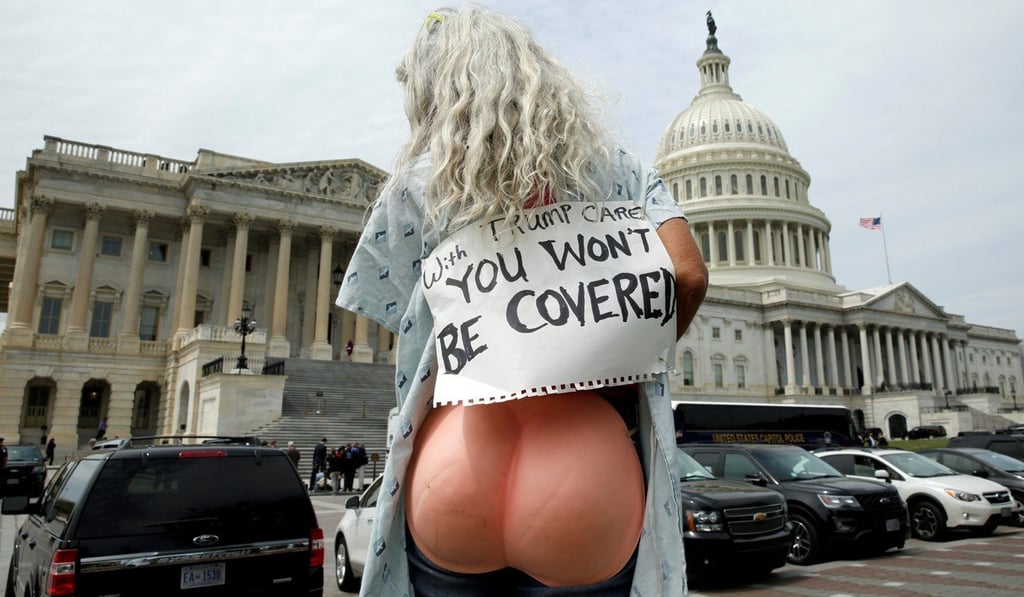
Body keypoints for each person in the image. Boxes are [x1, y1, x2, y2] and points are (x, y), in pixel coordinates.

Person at [336, 7, 707, 596]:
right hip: (585, 469)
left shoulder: (415, 185)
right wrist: (615, 355)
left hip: (454, 466)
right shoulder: (622, 173)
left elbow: (410, 322)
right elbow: (687, 275)